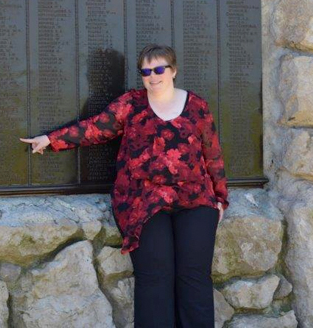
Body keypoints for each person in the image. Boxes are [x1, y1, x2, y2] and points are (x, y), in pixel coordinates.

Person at [21, 44, 228, 328]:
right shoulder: (131, 104)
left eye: (158, 69)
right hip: (144, 202)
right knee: (155, 276)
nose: (152, 76)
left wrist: (220, 197)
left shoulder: (197, 106)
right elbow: (95, 128)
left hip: (195, 201)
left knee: (194, 276)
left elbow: (212, 153)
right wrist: (51, 139)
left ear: (173, 70)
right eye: (145, 71)